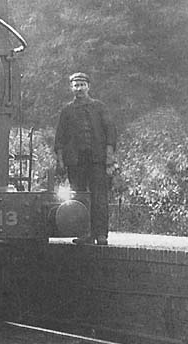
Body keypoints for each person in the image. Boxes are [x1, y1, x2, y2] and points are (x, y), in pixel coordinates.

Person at [54, 72, 118, 245]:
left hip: (97, 159)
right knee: (79, 197)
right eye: (76, 85)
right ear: (71, 88)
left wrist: (109, 158)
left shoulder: (99, 107)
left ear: (88, 87)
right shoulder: (67, 111)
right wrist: (60, 161)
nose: (79, 88)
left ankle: (101, 234)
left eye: (82, 85)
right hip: (76, 161)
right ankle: (85, 233)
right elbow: (59, 138)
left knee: (99, 197)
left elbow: (110, 132)